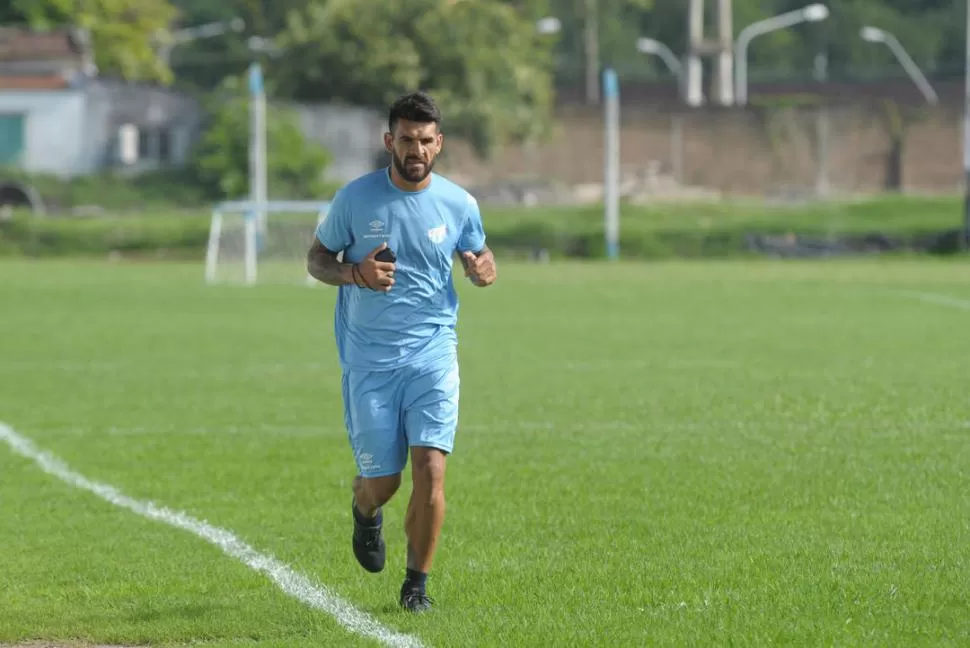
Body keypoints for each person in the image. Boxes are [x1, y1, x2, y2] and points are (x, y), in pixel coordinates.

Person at [306, 91, 497, 613]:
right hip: (369, 362)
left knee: (432, 468)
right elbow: (317, 260)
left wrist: (483, 268)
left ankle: (417, 586)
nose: (417, 149)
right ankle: (364, 510)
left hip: (434, 354)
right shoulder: (355, 199)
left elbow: (478, 252)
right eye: (407, 139)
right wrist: (355, 274)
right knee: (383, 484)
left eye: (426, 140)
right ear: (390, 141)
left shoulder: (459, 203)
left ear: (440, 144)